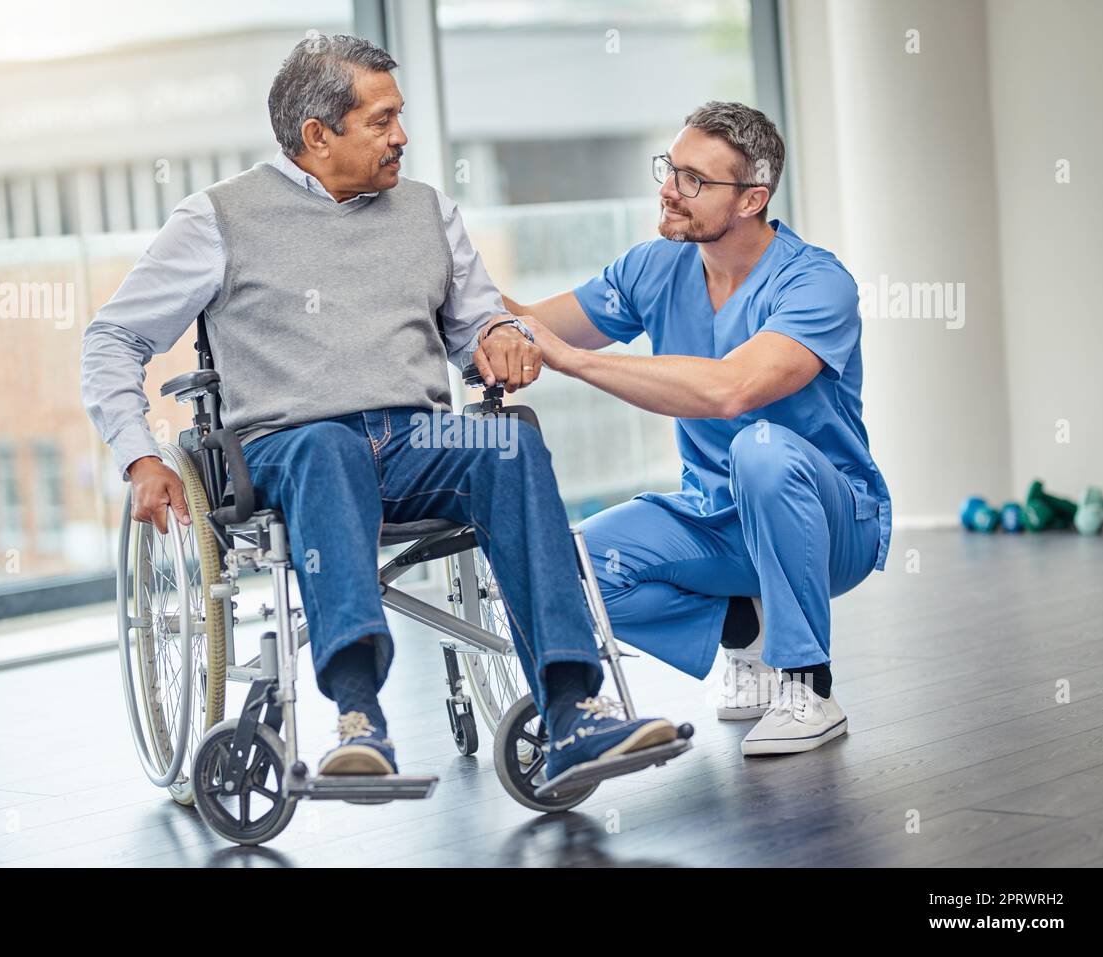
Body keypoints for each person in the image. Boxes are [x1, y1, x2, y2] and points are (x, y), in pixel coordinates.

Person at [81, 34, 678, 782]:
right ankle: (358, 714)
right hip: (289, 446)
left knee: (509, 445)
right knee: (327, 449)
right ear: (317, 136)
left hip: (415, 437)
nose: (401, 137)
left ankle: (572, 713)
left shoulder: (429, 211)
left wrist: (501, 340)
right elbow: (111, 337)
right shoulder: (217, 219)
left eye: (400, 118)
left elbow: (480, 324)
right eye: (382, 120)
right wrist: (138, 455)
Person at [501, 102, 891, 756]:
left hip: (832, 526)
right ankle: (744, 624)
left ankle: (807, 684)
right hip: (717, 523)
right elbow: (535, 322)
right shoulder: (657, 267)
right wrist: (439, 276)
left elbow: (732, 389)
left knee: (760, 450)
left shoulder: (817, 283)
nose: (668, 190)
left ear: (751, 199)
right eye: (669, 168)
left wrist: (575, 361)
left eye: (693, 180)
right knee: (573, 567)